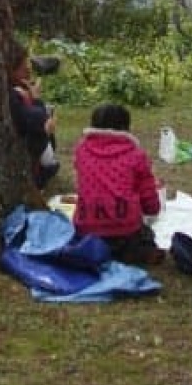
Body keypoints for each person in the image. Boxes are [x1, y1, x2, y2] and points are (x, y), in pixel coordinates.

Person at [73, 103, 164, 265]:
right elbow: (148, 197)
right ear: (125, 127)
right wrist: (153, 210)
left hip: (87, 230)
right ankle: (140, 253)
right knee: (144, 235)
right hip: (125, 230)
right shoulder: (135, 155)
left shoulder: (81, 151)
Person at [9, 44, 59, 189]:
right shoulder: (13, 94)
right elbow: (36, 120)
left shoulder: (20, 89)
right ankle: (43, 172)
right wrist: (37, 100)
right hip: (28, 158)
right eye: (22, 66)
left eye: (27, 64)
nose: (28, 69)